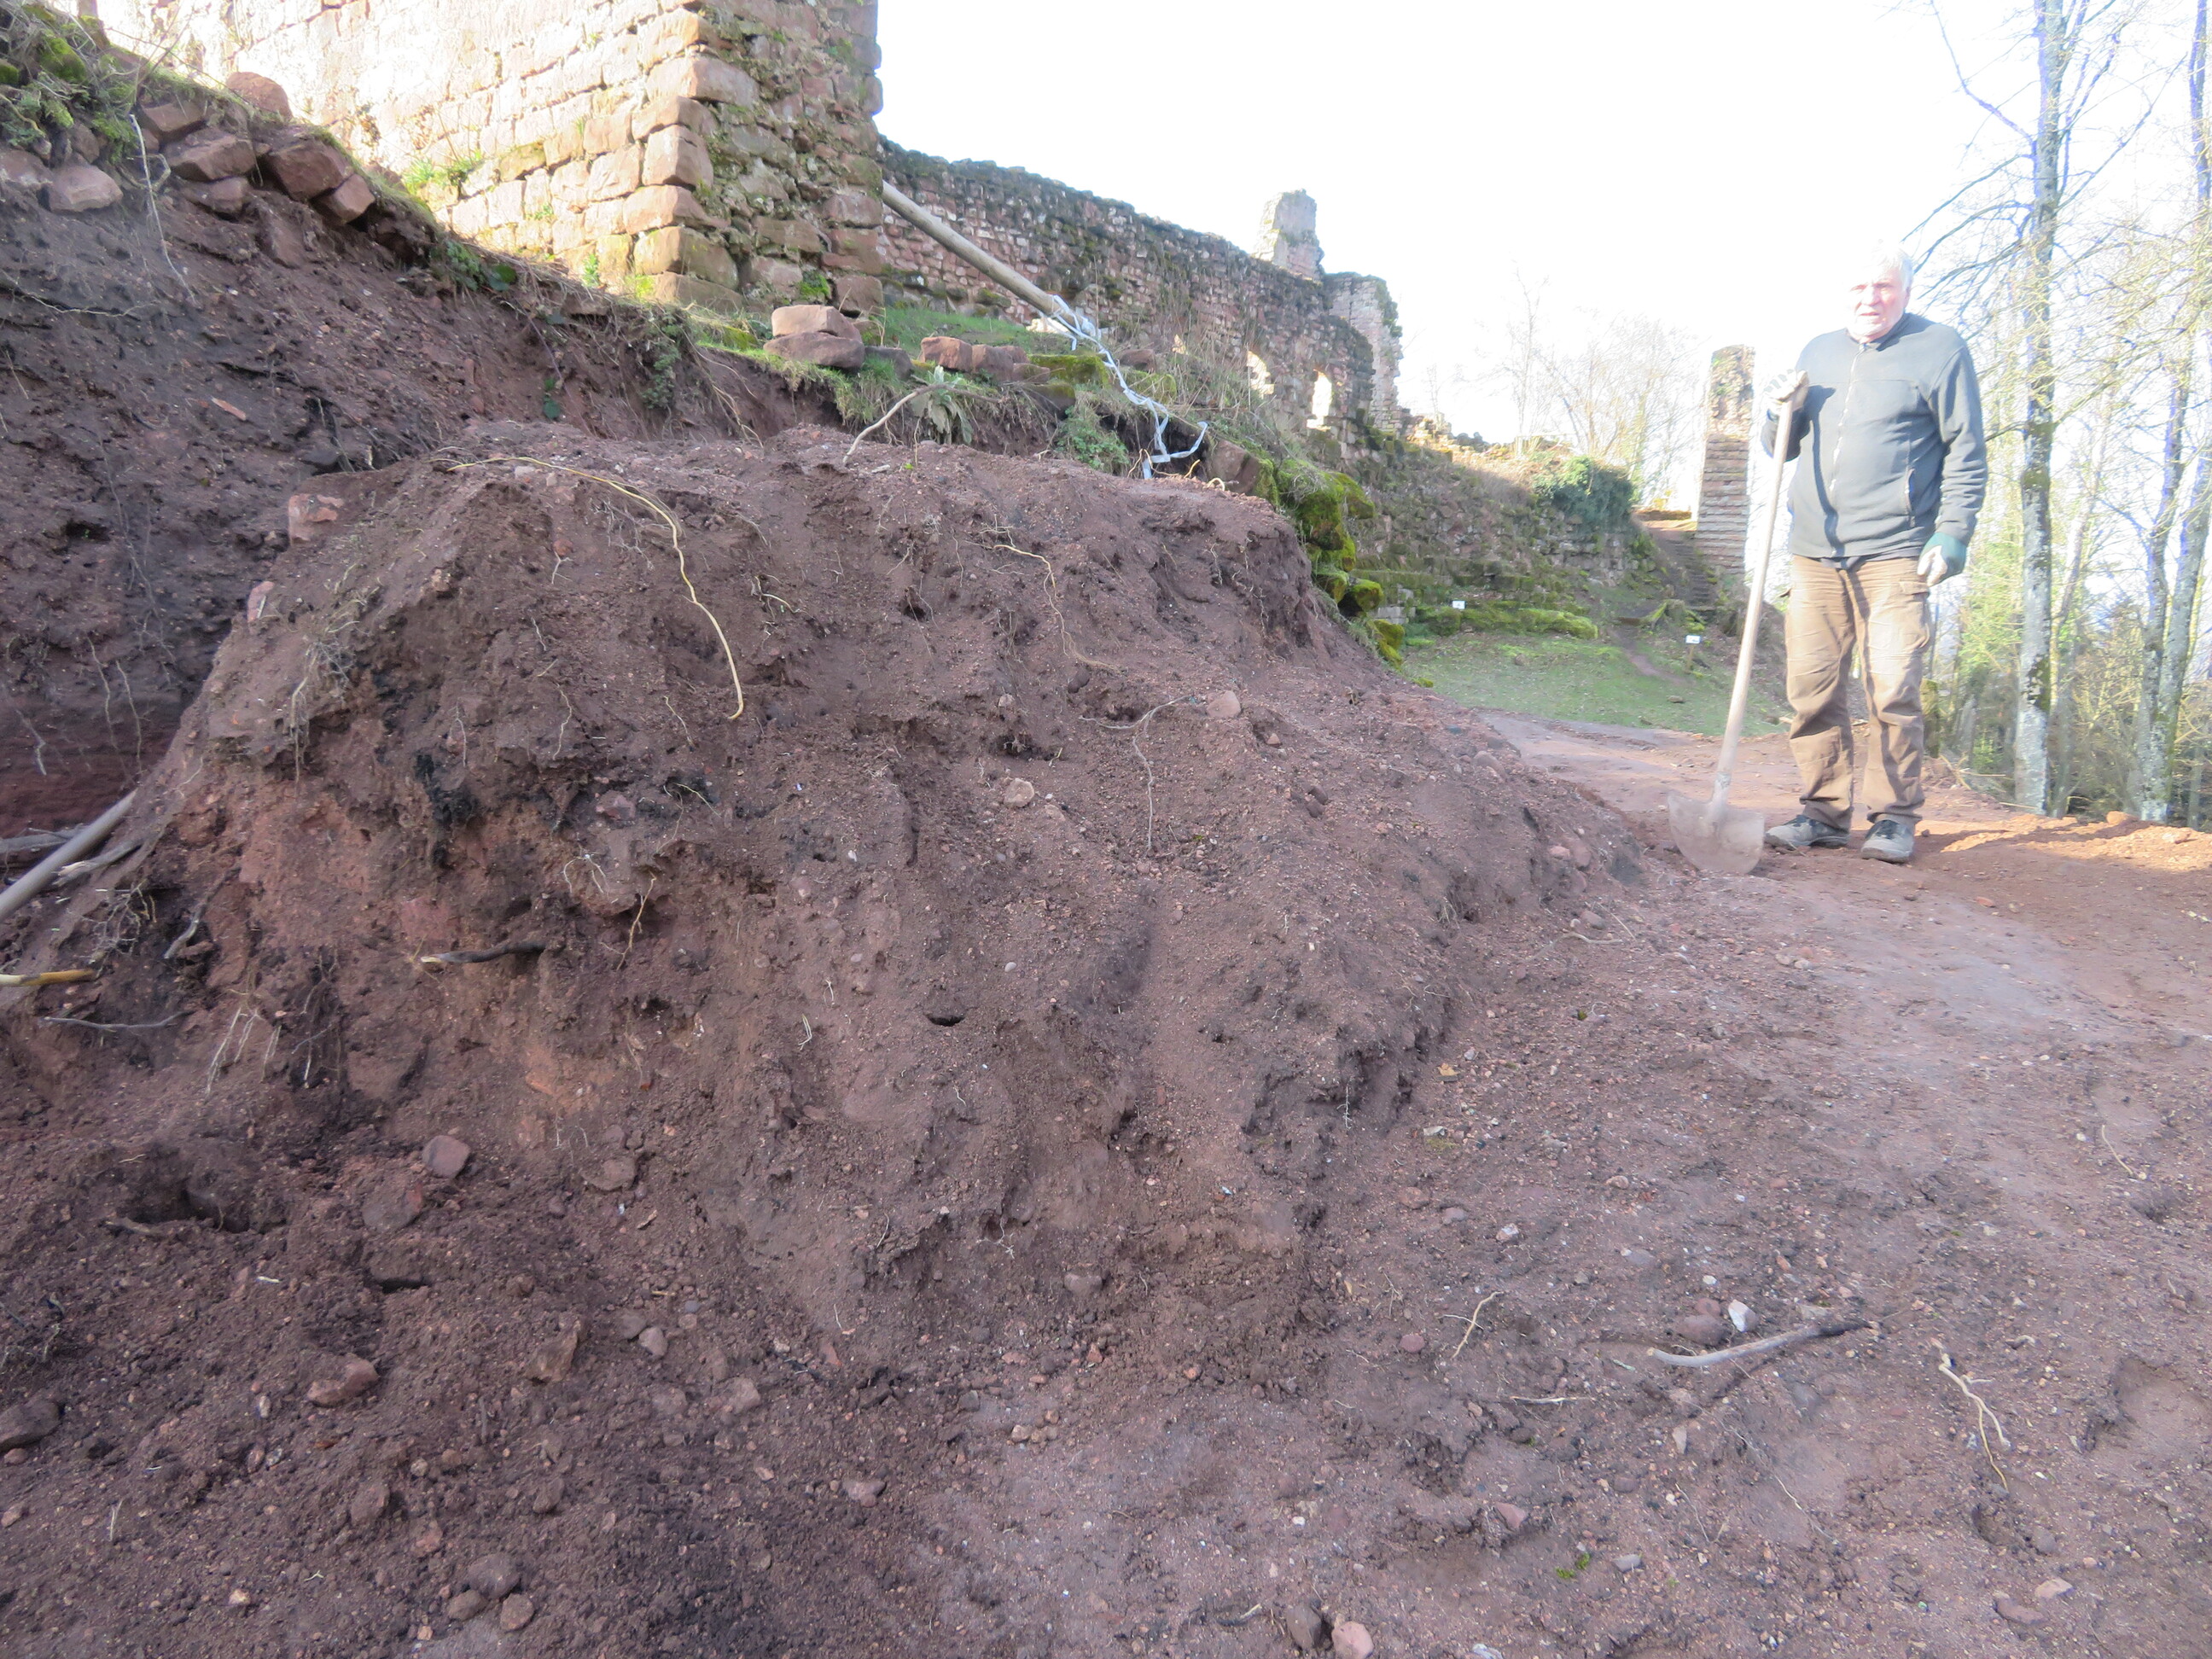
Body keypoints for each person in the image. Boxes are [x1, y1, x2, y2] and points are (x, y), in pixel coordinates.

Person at [1758, 244, 1986, 865]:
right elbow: (1781, 449)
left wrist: (1954, 531)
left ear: (1906, 291)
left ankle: (1893, 818)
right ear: (1844, 295)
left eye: (1883, 287)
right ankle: (1822, 812)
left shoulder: (1940, 348)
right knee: (1811, 689)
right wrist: (1779, 412)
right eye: (1859, 288)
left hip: (1896, 551)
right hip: (1815, 552)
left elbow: (1967, 448)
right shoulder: (1818, 352)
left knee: (1891, 689)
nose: (1870, 299)